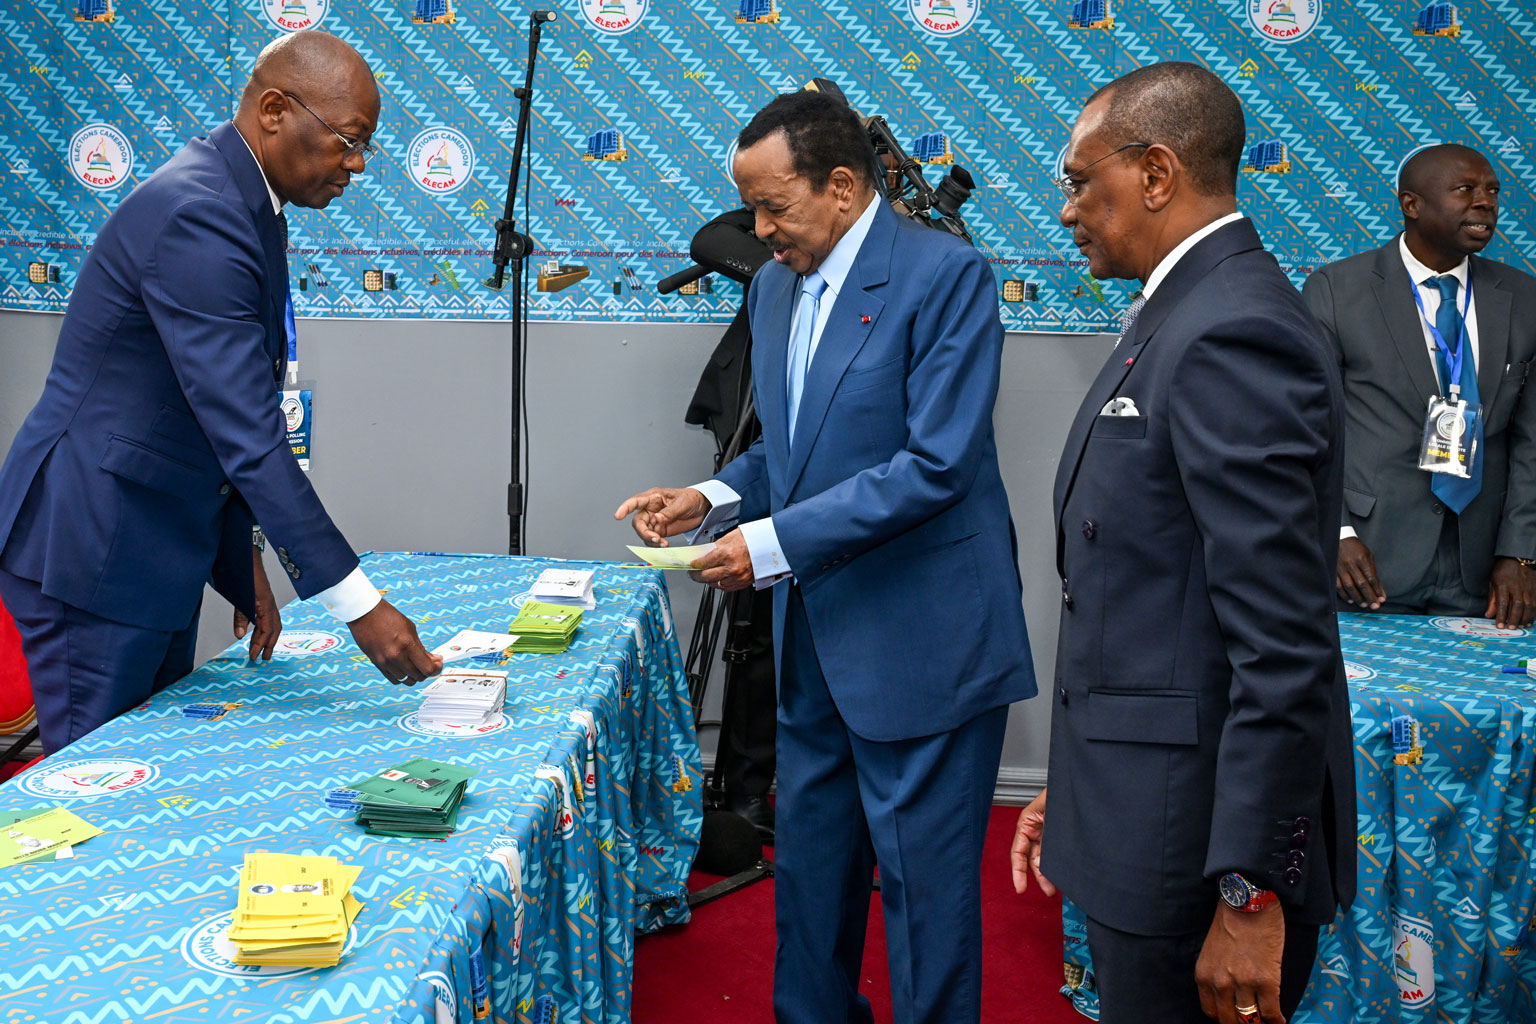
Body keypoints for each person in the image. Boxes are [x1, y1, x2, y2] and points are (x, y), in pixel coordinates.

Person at [616, 90, 1035, 1024]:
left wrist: (766, 544)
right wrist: (713, 498)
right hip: (816, 638)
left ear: (841, 187)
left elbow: (936, 465)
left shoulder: (947, 276)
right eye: (750, 208)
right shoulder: (772, 288)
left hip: (926, 643)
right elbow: (794, 451)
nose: (759, 230)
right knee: (809, 878)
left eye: (773, 207)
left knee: (926, 904)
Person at [1010, 62, 1356, 1024]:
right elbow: (1156, 605)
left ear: (1156, 173)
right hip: (1147, 811)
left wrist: (1250, 890)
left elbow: (1281, 647)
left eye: (1081, 181)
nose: (1068, 209)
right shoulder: (1186, 310)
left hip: (1195, 862)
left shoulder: (1231, 331)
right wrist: (1084, 785)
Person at [0, 31, 441, 754]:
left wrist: (242, 563)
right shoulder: (198, 213)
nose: (357, 163)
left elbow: (205, 413)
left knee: (150, 774)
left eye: (365, 146)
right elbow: (246, 432)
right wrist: (359, 606)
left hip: (152, 551)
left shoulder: (244, 203)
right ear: (274, 110)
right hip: (95, 553)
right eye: (347, 140)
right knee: (95, 791)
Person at [1302, 144, 1536, 627]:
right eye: (1465, 189)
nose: (1485, 202)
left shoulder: (1524, 298)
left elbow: (1531, 440)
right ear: (1411, 204)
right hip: (1366, 561)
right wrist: (1336, 532)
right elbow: (1306, 424)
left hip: (1484, 570)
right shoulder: (1336, 290)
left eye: (1492, 191)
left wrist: (1520, 552)